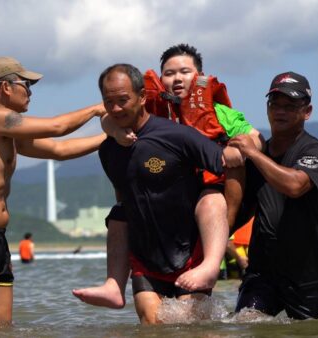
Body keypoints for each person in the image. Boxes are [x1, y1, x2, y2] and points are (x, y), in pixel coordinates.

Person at [73, 43, 262, 309]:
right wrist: (115, 132)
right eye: (169, 73)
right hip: (163, 208)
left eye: (184, 72)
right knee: (120, 213)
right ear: (158, 80)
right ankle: (114, 284)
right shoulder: (148, 106)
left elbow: (255, 137)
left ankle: (212, 259)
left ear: (198, 76)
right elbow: (110, 114)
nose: (176, 79)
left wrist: (238, 147)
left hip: (210, 196)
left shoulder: (217, 112)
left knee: (211, 199)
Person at [0, 56, 106, 334]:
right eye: (26, 84)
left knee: (4, 328)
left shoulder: (8, 133)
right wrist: (97, 110)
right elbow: (57, 127)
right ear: (5, 87)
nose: (30, 91)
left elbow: (59, 150)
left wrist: (110, 137)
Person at [88, 63, 231, 324]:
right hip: (145, 257)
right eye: (109, 102)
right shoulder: (108, 151)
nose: (116, 108)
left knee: (188, 326)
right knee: (153, 325)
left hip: (188, 254)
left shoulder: (178, 136)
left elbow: (225, 167)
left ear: (142, 97)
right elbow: (124, 196)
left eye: (123, 100)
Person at [228, 71, 318, 319]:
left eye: (289, 106)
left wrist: (253, 154)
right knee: (246, 324)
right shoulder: (258, 156)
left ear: (307, 111)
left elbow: (295, 186)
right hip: (262, 272)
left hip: (308, 275)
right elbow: (243, 208)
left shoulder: (316, 150)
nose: (280, 111)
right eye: (275, 104)